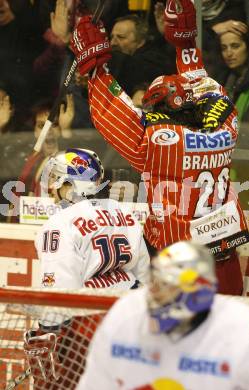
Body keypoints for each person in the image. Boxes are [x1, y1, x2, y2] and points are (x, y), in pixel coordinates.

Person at [69, 0, 249, 295]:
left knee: (178, 338)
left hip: (179, 264)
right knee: (228, 334)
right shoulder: (226, 123)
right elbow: (201, 85)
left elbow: (114, 114)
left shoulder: (158, 143)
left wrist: (96, 68)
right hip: (224, 258)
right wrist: (185, 43)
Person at [24, 147, 150, 389]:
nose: (51, 188)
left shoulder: (59, 224)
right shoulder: (124, 213)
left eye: (55, 180)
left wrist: (48, 333)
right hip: (132, 320)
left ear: (70, 184)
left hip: (88, 330)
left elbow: (60, 292)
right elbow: (143, 275)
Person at [77, 240, 249, 390]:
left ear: (199, 292)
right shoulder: (126, 313)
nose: (153, 294)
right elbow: (96, 382)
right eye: (154, 282)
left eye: (167, 285)